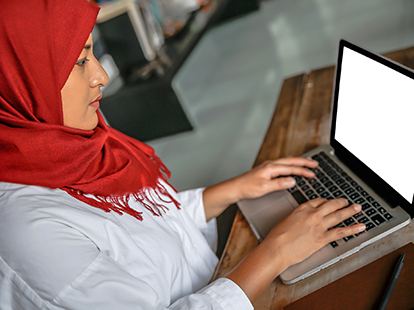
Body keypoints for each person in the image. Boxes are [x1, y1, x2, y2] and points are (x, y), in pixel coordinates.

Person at [0, 0, 366, 309]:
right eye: (79, 61)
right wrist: (276, 253)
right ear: (20, 81)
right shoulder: (27, 234)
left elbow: (145, 235)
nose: (101, 77)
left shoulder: (71, 148)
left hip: (225, 272)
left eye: (93, 51)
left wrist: (231, 190)